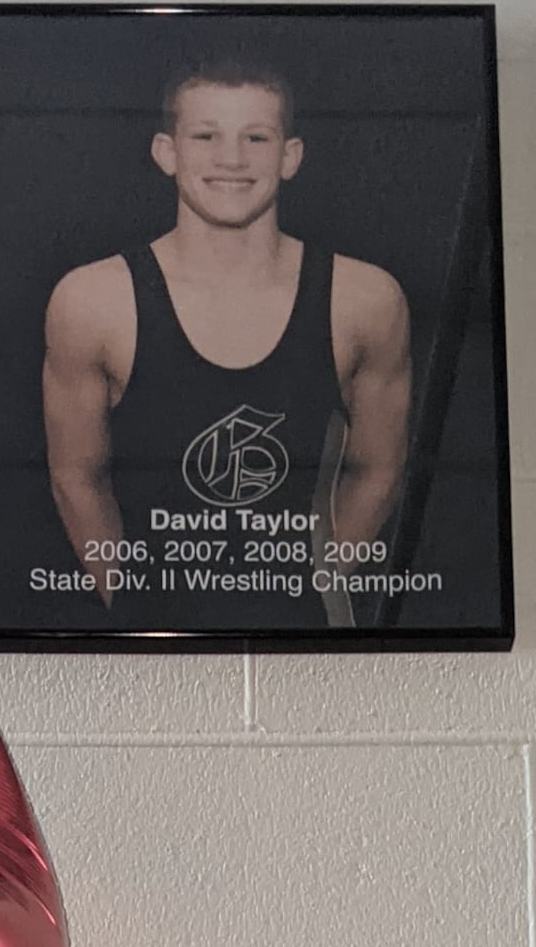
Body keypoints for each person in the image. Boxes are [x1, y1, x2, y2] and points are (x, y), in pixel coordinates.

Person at [43, 59, 411, 625]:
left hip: (301, 635)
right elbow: (75, 476)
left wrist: (309, 580)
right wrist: (137, 598)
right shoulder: (92, 302)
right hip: (152, 640)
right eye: (206, 136)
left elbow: (380, 469)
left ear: (290, 156)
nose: (232, 159)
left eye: (256, 138)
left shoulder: (364, 300)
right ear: (167, 152)